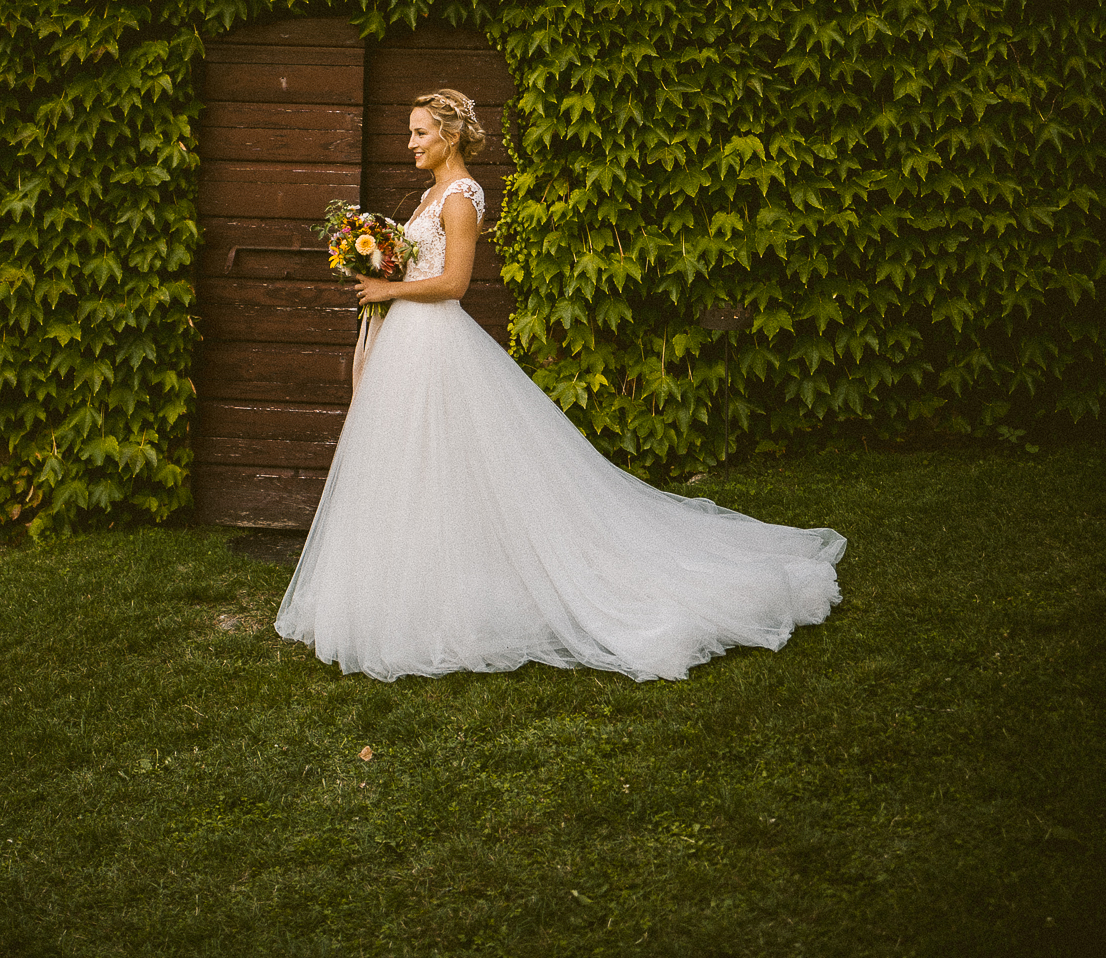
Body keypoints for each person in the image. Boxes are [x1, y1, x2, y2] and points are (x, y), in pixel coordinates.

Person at [275, 87, 845, 682]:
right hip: (407, 344)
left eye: (420, 132)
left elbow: (455, 283)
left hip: (436, 342)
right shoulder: (428, 195)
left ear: (448, 136)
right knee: (412, 463)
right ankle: (410, 584)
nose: (410, 143)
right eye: (411, 132)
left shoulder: (463, 197)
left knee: (449, 459)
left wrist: (387, 289)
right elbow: (419, 264)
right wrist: (379, 265)